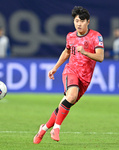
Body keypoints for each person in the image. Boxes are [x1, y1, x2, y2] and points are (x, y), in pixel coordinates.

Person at [33, 6, 104, 144]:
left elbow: (100, 57)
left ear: (88, 22)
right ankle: (56, 128)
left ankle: (43, 128)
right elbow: (66, 52)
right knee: (71, 96)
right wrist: (55, 68)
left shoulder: (96, 36)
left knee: (64, 104)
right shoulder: (70, 36)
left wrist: (85, 52)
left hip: (85, 78)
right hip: (71, 71)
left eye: (82, 21)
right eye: (76, 21)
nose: (79, 24)